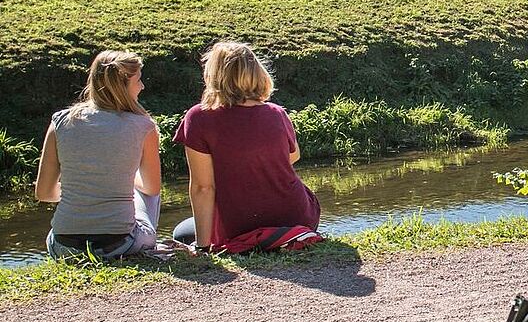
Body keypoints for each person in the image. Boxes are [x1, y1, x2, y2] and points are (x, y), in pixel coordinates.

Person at [172, 41, 319, 250]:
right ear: (257, 72)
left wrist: (203, 247)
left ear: (213, 75)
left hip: (239, 224)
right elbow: (292, 157)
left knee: (181, 233)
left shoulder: (199, 117)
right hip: (297, 216)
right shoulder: (276, 113)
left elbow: (203, 187)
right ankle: (287, 236)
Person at [35, 49, 162, 260]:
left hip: (63, 247)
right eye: (138, 80)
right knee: (147, 192)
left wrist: (83, 194)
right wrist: (124, 181)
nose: (142, 86)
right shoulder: (144, 126)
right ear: (122, 86)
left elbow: (44, 193)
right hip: (119, 245)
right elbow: (152, 187)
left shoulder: (61, 122)